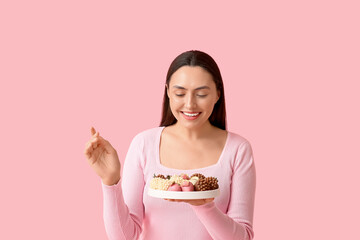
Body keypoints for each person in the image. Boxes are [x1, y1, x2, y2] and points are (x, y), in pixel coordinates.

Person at [84, 50, 256, 240]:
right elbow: (124, 237)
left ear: (217, 94)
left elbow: (243, 237)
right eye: (180, 93)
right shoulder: (144, 144)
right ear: (167, 92)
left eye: (201, 94)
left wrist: (203, 205)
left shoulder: (238, 149)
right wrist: (111, 181)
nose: (189, 104)